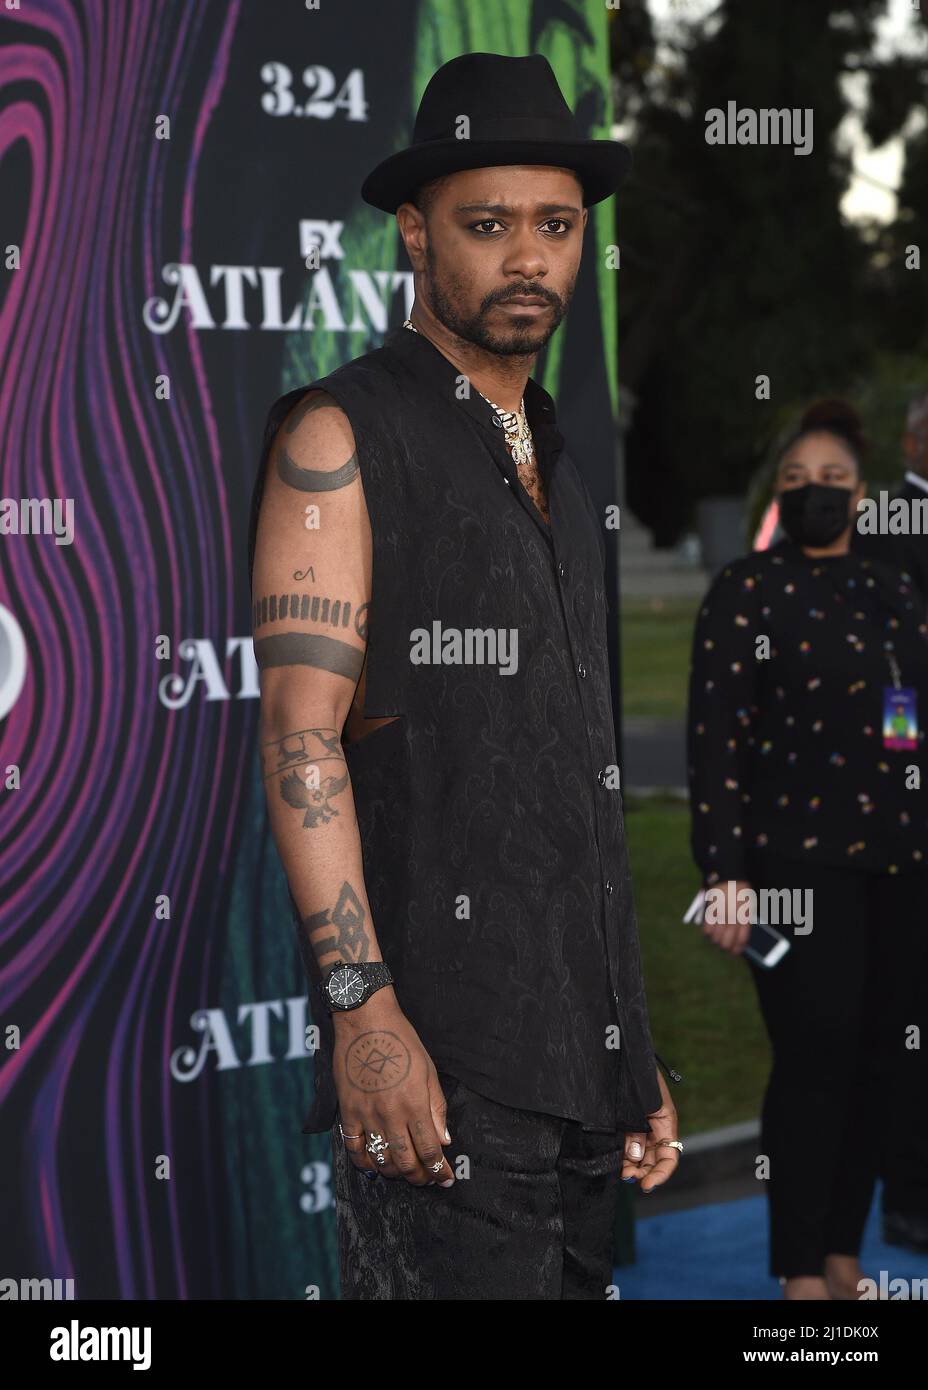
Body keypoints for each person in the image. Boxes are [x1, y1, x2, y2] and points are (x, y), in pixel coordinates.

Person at [247, 52, 680, 1301]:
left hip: (578, 1069)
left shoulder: (561, 464)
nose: (529, 258)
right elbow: (300, 738)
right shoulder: (342, 433)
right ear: (414, 236)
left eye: (555, 226)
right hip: (441, 1070)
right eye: (487, 226)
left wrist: (629, 1048)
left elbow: (574, 787)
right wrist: (363, 1016)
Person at [687, 399, 928, 1300]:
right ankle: (798, 1274)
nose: (816, 493)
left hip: (900, 865)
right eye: (798, 482)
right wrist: (725, 873)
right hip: (796, 867)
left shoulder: (893, 590)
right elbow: (716, 741)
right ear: (778, 497)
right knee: (816, 1055)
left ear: (861, 495)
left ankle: (841, 1254)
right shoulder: (744, 592)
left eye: (833, 482)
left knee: (883, 1060)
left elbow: (912, 725)